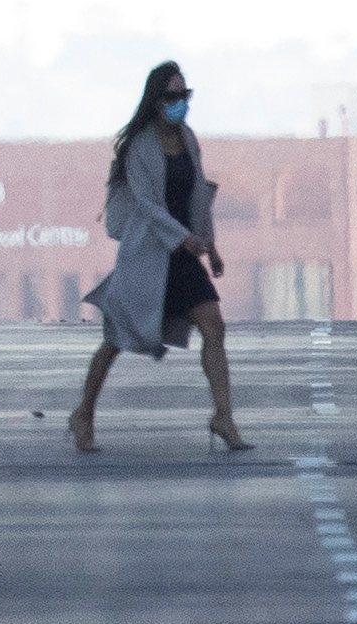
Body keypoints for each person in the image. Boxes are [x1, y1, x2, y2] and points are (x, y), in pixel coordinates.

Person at [73, 60, 244, 453]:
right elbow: (148, 205)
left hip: (185, 254)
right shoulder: (139, 147)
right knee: (116, 338)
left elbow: (199, 196)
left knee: (214, 328)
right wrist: (184, 239)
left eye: (184, 95)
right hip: (150, 255)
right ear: (155, 100)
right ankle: (84, 413)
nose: (179, 103)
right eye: (171, 96)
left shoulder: (188, 138)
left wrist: (210, 246)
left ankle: (224, 417)